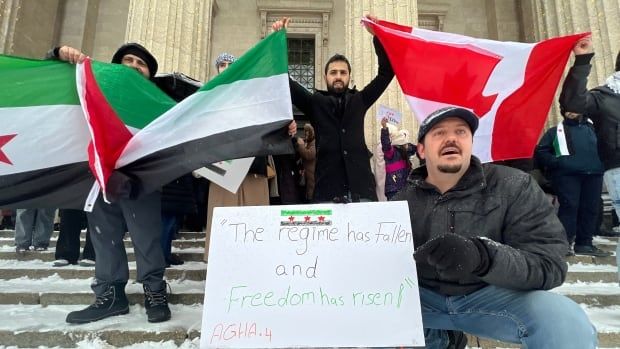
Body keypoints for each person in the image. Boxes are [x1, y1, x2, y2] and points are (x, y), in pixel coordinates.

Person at [394, 107, 597, 348]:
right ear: (422, 150)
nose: (451, 138)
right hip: (423, 303)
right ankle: (437, 338)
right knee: (374, 321)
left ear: (471, 143)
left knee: (564, 320)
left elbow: (549, 265)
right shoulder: (401, 200)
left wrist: (483, 257)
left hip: (490, 297)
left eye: (461, 132)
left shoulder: (514, 186)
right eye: (439, 133)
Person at [49, 43, 171, 324]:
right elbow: (56, 80)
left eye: (141, 63)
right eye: (126, 60)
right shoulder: (96, 90)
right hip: (101, 176)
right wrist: (58, 54)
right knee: (104, 237)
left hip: (143, 178)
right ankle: (110, 295)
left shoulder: (160, 100)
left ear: (150, 75)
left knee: (146, 236)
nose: (132, 65)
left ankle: (155, 291)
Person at [273, 16, 394, 203]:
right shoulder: (315, 102)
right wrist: (279, 41)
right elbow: (284, 81)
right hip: (328, 191)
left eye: (343, 72)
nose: (338, 77)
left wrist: (377, 36)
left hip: (361, 190)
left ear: (349, 76)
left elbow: (386, 73)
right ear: (325, 76)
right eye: (333, 72)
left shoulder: (359, 100)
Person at [203, 52, 297, 261]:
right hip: (222, 172)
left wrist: (287, 128)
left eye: (230, 64)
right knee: (224, 231)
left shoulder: (257, 100)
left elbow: (273, 124)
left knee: (255, 229)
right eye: (222, 64)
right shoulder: (207, 99)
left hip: (254, 169)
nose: (226, 67)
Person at [558, 36, 620, 282]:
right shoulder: (605, 97)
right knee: (573, 208)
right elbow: (572, 101)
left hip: (594, 173)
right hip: (612, 169)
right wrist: (583, 60)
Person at [535, 110, 609, 256]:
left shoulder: (594, 128)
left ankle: (584, 243)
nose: (570, 112)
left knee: (590, 209)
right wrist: (559, 162)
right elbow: (541, 152)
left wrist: (602, 163)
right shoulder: (555, 131)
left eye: (574, 108)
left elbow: (606, 146)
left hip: (593, 174)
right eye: (566, 109)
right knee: (570, 207)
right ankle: (564, 243)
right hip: (567, 176)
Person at [380, 117, 415, 200]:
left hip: (405, 189)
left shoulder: (406, 153)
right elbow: (386, 145)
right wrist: (384, 128)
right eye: (406, 144)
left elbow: (417, 148)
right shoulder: (391, 153)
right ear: (401, 145)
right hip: (393, 190)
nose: (408, 145)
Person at [296, 124, 316, 202]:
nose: (306, 133)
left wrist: (301, 145)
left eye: (308, 131)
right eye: (305, 132)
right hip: (307, 174)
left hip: (312, 174)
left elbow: (309, 155)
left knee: (311, 191)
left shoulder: (314, 142)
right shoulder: (308, 142)